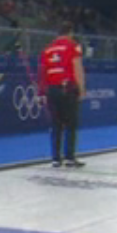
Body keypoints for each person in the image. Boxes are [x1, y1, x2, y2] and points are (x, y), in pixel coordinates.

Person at [40, 25, 86, 167]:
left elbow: (42, 72)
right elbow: (77, 67)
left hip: (52, 89)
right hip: (67, 88)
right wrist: (81, 88)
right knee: (71, 123)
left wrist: (42, 92)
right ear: (70, 33)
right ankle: (69, 157)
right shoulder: (73, 46)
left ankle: (55, 158)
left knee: (56, 124)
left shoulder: (47, 49)